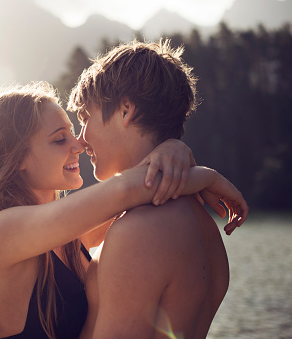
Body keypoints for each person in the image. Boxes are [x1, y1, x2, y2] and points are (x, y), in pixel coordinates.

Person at [0, 81, 247, 339]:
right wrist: (207, 176)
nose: (78, 145)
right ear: (17, 157)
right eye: (60, 139)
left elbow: (135, 197)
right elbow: (125, 190)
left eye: (72, 133)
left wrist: (173, 149)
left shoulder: (66, 235)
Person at [67, 39, 247, 339]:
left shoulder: (139, 230)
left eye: (86, 118)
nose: (81, 139)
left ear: (126, 110)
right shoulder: (204, 226)